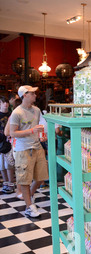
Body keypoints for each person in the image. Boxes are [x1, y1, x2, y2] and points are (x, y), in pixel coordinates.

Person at [9, 85, 48, 218]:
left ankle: (29, 197)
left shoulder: (37, 110)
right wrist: (32, 131)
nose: (35, 95)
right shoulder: (17, 112)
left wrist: (41, 135)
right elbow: (12, 133)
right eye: (32, 93)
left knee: (42, 176)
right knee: (24, 180)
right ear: (24, 95)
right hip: (23, 149)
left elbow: (37, 127)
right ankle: (29, 207)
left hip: (37, 147)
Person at [0, 96, 15, 193]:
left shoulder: (11, 115)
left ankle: (11, 184)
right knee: (1, 165)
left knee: (9, 164)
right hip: (0, 143)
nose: (5, 104)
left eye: (6, 102)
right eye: (3, 102)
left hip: (9, 142)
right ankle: (5, 183)